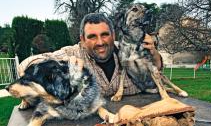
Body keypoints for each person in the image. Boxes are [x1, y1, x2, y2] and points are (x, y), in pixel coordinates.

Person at [18, 13, 163, 97]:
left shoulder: (127, 50)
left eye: (105, 35)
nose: (100, 42)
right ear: (82, 39)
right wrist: (58, 66)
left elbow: (156, 71)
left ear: (113, 35)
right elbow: (26, 65)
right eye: (92, 36)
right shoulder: (72, 53)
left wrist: (154, 53)